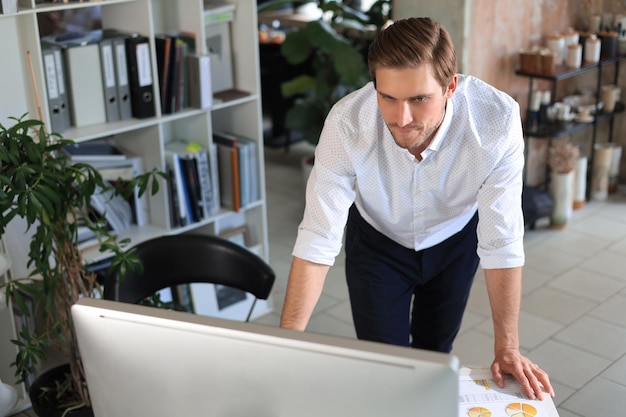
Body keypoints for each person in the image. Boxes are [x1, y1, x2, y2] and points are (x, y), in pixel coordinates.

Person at [280, 17, 554, 400]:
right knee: (385, 365)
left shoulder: (495, 120)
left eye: (419, 99)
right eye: (387, 97)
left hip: (453, 242)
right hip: (377, 241)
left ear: (450, 86)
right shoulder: (347, 123)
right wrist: (281, 349)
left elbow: (502, 240)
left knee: (434, 356)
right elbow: (318, 238)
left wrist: (507, 347)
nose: (401, 118)